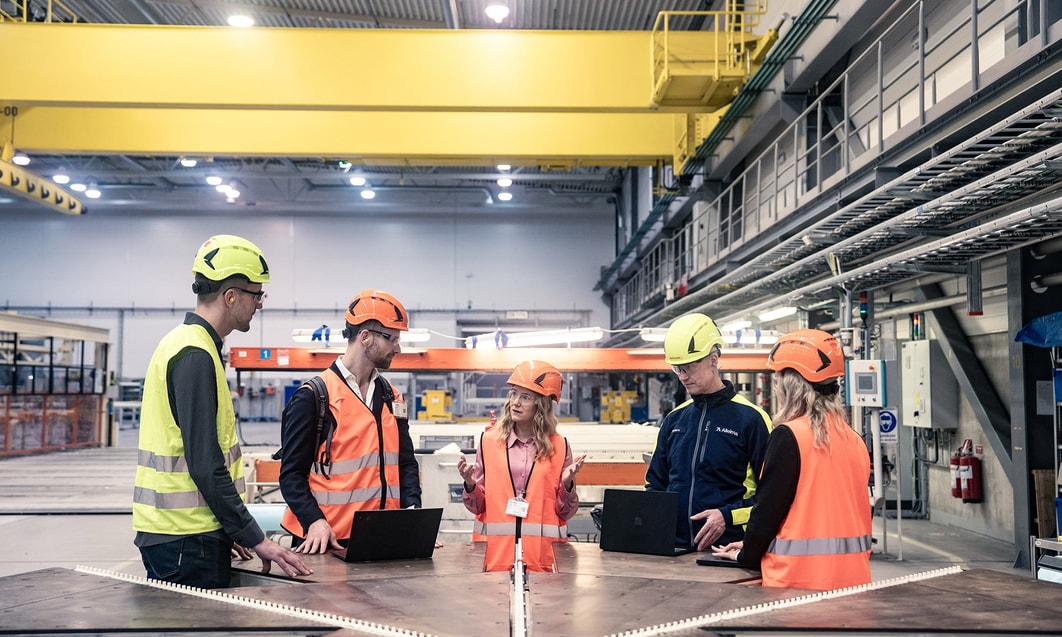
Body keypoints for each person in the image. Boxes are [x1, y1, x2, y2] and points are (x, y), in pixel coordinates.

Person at [133, 234, 312, 589]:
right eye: (257, 295)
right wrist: (255, 537)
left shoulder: (185, 345)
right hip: (185, 539)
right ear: (231, 297)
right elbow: (204, 462)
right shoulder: (195, 355)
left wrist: (227, 527)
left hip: (187, 535)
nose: (260, 304)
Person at [711, 329, 872, 590]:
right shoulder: (854, 439)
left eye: (777, 380)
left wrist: (747, 553)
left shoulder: (790, 436)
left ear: (791, 385)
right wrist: (752, 543)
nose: (776, 388)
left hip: (797, 584)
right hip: (853, 582)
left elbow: (767, 512)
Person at [279, 289, 422, 554]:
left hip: (382, 538)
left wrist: (412, 514)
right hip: (328, 541)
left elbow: (406, 463)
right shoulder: (315, 397)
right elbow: (291, 476)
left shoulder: (392, 396)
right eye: (392, 339)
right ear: (366, 337)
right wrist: (314, 521)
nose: (398, 348)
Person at [645, 313, 773, 551]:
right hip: (676, 551)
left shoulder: (752, 419)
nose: (682, 376)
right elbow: (655, 485)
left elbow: (771, 495)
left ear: (713, 360)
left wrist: (728, 516)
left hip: (729, 551)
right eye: (676, 368)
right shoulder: (674, 420)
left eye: (689, 367)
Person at [457, 360, 585, 572]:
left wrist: (567, 485)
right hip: (495, 558)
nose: (515, 402)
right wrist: (470, 485)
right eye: (514, 394)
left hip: (542, 561)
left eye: (526, 397)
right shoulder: (488, 441)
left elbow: (565, 513)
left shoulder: (559, 446)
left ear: (542, 404)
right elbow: (477, 507)